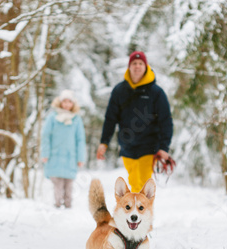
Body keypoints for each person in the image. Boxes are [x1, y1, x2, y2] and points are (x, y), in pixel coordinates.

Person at [96, 51, 173, 192]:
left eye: (140, 63)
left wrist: (164, 147)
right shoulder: (119, 91)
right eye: (134, 64)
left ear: (146, 66)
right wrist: (104, 142)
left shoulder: (156, 92)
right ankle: (140, 212)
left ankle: (141, 213)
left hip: (149, 147)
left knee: (142, 185)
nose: (137, 66)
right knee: (133, 182)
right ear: (129, 67)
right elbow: (110, 118)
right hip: (127, 147)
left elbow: (166, 121)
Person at [41, 90, 86, 208]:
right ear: (60, 102)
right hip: (54, 156)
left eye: (69, 102)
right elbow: (46, 136)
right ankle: (57, 204)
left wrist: (81, 158)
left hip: (70, 157)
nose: (66, 104)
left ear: (73, 104)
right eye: (64, 101)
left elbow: (80, 139)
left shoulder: (76, 119)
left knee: (69, 184)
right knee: (57, 183)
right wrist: (45, 153)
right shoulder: (52, 117)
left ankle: (68, 206)